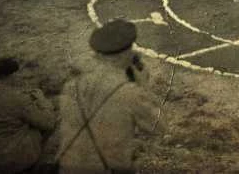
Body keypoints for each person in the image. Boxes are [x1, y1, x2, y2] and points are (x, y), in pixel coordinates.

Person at [57, 19, 166, 173]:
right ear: (126, 54)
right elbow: (158, 126)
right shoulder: (129, 93)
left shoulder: (71, 85)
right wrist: (144, 87)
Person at [0, 57, 56, 174]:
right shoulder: (20, 99)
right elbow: (48, 123)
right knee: (43, 125)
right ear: (13, 75)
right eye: (18, 74)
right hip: (10, 162)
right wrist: (43, 101)